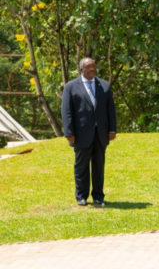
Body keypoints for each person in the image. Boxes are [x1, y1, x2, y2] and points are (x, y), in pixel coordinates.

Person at [61, 57, 117, 207]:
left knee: (99, 166)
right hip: (80, 135)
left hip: (101, 134)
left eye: (93, 67)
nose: (93, 69)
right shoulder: (70, 87)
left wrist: (112, 129)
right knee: (81, 167)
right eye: (89, 67)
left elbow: (110, 110)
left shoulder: (104, 86)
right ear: (81, 70)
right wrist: (69, 133)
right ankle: (81, 196)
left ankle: (98, 196)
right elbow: (67, 112)